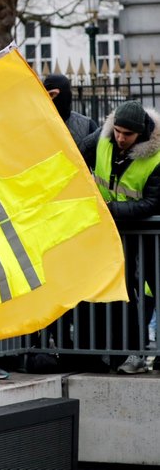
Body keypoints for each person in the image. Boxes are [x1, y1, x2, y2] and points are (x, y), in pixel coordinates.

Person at [79, 100, 160, 374]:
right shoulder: (102, 138)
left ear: (142, 133)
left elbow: (152, 203)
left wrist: (110, 209)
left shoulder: (156, 156)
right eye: (118, 131)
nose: (121, 138)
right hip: (113, 234)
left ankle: (140, 355)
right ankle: (121, 354)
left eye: (128, 134)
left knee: (152, 288)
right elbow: (75, 160)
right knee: (117, 292)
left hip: (147, 234)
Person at [43, 74, 97, 144]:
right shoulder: (36, 127)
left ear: (65, 94)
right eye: (45, 96)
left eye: (51, 95)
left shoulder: (87, 125)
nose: (48, 100)